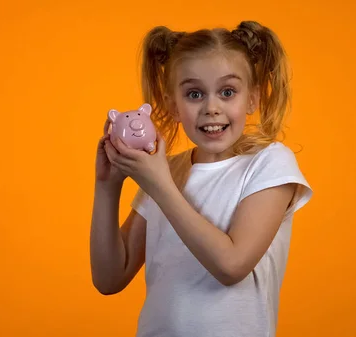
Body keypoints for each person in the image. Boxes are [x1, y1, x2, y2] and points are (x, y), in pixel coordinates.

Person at [90, 20, 313, 337]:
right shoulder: (164, 172)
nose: (211, 107)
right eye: (194, 94)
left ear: (253, 98)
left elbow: (232, 265)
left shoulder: (270, 163)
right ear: (173, 105)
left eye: (227, 92)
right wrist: (108, 186)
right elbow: (109, 278)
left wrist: (159, 185)